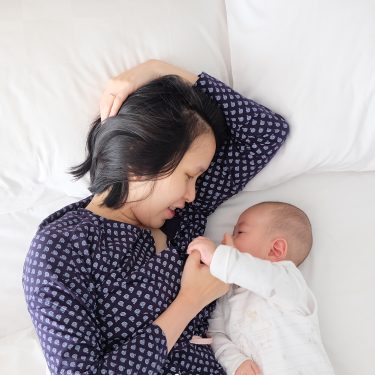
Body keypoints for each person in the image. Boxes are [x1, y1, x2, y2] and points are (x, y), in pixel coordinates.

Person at [22, 59, 289, 374]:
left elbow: (265, 134)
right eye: (189, 175)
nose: (192, 192)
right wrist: (190, 301)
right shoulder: (61, 248)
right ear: (140, 158)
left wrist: (160, 72)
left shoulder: (183, 215)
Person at [187, 201, 335, 375]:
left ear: (275, 250)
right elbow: (215, 333)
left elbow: (254, 273)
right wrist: (235, 361)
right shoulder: (226, 292)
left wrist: (218, 258)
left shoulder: (287, 281)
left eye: (240, 233)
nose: (226, 240)